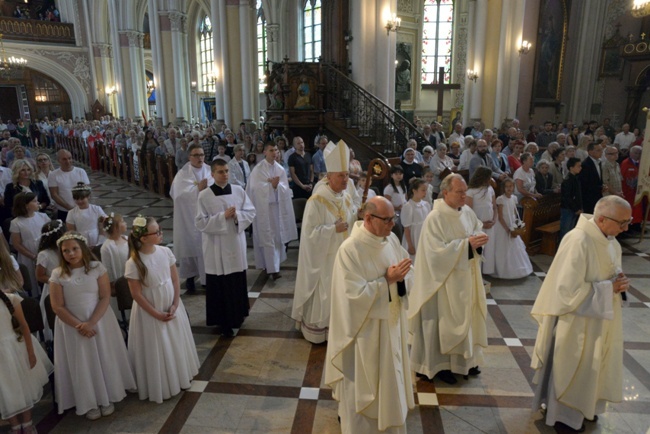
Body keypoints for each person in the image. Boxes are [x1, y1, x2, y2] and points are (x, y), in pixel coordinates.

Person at [531, 196, 631, 432]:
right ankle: (564, 417)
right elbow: (567, 291)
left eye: (628, 222)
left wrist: (618, 281)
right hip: (576, 321)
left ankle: (587, 407)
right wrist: (609, 288)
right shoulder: (578, 240)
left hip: (600, 320)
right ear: (602, 218)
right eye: (622, 222)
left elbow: (609, 272)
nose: (626, 228)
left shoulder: (611, 242)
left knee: (595, 365)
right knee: (573, 367)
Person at [324, 196, 414, 434]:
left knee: (390, 385)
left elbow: (408, 271)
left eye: (393, 218)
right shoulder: (350, 250)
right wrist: (388, 281)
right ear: (368, 218)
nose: (392, 224)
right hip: (365, 337)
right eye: (387, 219)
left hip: (391, 328)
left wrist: (401, 279)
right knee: (365, 394)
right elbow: (352, 298)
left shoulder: (391, 240)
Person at [408, 174, 489, 384]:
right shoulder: (435, 218)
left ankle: (465, 362)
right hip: (441, 283)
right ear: (445, 193)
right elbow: (435, 254)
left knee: (467, 318)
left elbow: (476, 229)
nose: (464, 196)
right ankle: (438, 366)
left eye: (465, 191)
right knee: (440, 324)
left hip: (465, 278)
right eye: (459, 192)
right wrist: (466, 245)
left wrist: (478, 240)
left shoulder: (467, 212)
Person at [50, 232, 136, 419]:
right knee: (82, 361)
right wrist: (80, 325)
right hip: (71, 324)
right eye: (66, 251)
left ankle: (108, 396)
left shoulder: (97, 268)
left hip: (98, 318)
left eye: (74, 249)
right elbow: (57, 306)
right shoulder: (58, 274)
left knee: (103, 355)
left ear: (83, 249)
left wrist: (91, 322)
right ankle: (88, 401)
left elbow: (105, 296)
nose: (71, 253)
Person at [125, 216, 200, 403]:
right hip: (150, 310)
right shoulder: (134, 262)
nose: (161, 234)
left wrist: (175, 303)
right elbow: (136, 294)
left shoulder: (165, 251)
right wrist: (156, 313)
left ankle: (180, 375)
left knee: (175, 340)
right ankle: (163, 383)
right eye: (156, 232)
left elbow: (175, 279)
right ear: (143, 238)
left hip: (171, 304)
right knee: (157, 345)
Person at [292, 140, 357, 344]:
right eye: (341, 175)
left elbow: (349, 218)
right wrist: (332, 229)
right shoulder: (317, 200)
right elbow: (309, 233)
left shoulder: (345, 196)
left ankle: (339, 328)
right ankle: (319, 330)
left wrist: (358, 215)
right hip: (324, 258)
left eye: (347, 175)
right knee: (326, 292)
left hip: (342, 253)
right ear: (329, 177)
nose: (346, 179)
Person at [196, 159, 256, 337]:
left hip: (235, 244)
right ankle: (223, 322)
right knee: (220, 284)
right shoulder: (204, 195)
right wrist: (223, 217)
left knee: (236, 280)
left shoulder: (238, 190)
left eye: (227, 171)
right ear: (212, 174)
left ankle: (238, 315)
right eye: (220, 172)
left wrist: (237, 216)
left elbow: (251, 211)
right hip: (216, 247)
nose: (225, 174)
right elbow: (200, 222)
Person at [0, 290, 53, 434]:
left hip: (16, 349)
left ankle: (27, 423)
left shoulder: (10, 299)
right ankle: (15, 426)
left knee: (24, 385)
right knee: (5, 390)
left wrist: (30, 352)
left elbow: (23, 325)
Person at [246, 143, 297, 280]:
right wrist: (270, 186)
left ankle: (274, 266)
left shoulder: (280, 168)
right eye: (271, 150)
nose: (274, 152)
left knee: (277, 238)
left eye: (276, 150)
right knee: (267, 238)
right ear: (265, 152)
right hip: (264, 209)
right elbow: (255, 189)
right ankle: (271, 269)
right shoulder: (258, 169)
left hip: (277, 209)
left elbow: (285, 188)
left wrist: (276, 186)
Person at [170, 143, 214, 292]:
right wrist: (197, 190)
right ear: (189, 157)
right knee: (190, 246)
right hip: (188, 218)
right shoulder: (183, 174)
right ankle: (190, 277)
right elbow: (178, 195)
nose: (200, 158)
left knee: (206, 247)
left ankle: (207, 278)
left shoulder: (209, 171)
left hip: (207, 216)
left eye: (201, 155)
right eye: (196, 155)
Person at [10, 192, 50, 297]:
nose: (38, 203)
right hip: (28, 256)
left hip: (44, 252)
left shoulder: (43, 216)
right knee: (32, 280)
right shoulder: (16, 222)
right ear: (25, 205)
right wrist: (33, 256)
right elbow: (17, 244)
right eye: (35, 201)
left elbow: (50, 235)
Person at [491, 178, 533, 279]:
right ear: (503, 188)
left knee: (515, 246)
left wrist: (515, 225)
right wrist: (507, 229)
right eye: (507, 187)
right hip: (503, 226)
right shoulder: (500, 199)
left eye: (511, 186)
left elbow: (514, 213)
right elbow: (500, 217)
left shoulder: (514, 198)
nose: (509, 188)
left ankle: (517, 268)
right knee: (503, 248)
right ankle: (502, 269)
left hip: (511, 223)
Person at [36, 219, 66, 342]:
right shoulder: (44, 254)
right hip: (53, 288)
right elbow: (39, 276)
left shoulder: (66, 250)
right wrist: (55, 282)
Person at [465, 167, 497, 275]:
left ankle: (487, 271)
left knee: (489, 250)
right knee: (479, 250)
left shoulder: (490, 189)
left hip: (490, 224)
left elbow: (494, 206)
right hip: (477, 226)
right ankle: (477, 273)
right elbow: (468, 212)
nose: (490, 179)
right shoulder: (471, 191)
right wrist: (482, 223)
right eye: (488, 177)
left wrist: (493, 220)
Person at [48, 149, 90, 221]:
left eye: (69, 158)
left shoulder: (81, 171)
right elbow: (54, 194)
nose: (67, 161)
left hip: (81, 208)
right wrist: (69, 208)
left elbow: (87, 190)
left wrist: (82, 204)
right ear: (58, 160)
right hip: (64, 210)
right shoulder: (53, 175)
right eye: (64, 159)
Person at [99, 213, 128, 315]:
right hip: (120, 281)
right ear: (116, 228)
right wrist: (112, 285)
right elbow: (108, 268)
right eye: (123, 221)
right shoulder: (107, 247)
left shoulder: (126, 238)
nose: (126, 223)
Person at [65, 183, 107, 248]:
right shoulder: (71, 213)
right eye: (76, 199)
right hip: (81, 242)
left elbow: (102, 227)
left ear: (88, 197)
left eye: (82, 199)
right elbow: (72, 232)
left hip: (97, 240)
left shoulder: (96, 209)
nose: (79, 201)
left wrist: (99, 243)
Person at [401, 178, 431, 260]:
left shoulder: (426, 205)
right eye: (423, 190)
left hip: (424, 235)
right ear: (414, 191)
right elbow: (406, 228)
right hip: (413, 237)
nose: (425, 193)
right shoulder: (408, 206)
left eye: (426, 190)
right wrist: (410, 245)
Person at [560, 158, 583, 240]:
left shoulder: (575, 178)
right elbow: (567, 197)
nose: (580, 168)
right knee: (566, 231)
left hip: (573, 209)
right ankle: (563, 249)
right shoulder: (568, 180)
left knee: (571, 230)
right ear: (571, 168)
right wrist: (576, 209)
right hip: (568, 209)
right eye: (578, 166)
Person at [579, 142, 606, 214]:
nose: (601, 152)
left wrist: (602, 186)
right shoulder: (585, 165)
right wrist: (600, 187)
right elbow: (585, 184)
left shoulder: (599, 162)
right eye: (598, 150)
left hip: (597, 196)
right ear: (590, 152)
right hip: (589, 199)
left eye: (601, 150)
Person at [620, 145, 643, 224]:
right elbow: (623, 177)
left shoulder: (641, 163)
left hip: (638, 191)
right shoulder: (626, 163)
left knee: (637, 208)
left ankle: (637, 223)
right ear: (630, 153)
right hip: (628, 191)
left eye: (639, 153)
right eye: (636, 153)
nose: (638, 155)